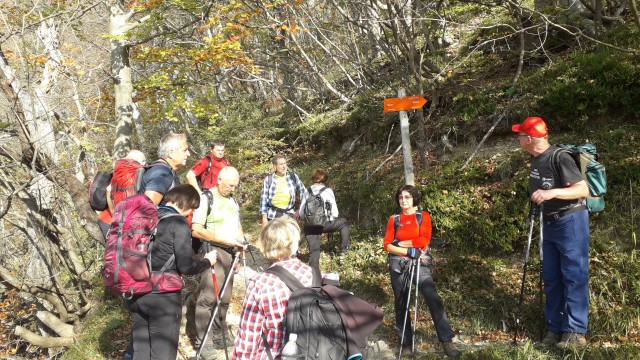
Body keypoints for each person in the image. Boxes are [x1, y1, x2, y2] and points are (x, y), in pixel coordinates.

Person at [512, 116, 590, 349]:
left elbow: (582, 189)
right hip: (549, 223)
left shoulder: (560, 157)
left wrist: (550, 194)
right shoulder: (536, 159)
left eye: (520, 135)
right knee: (552, 277)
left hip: (571, 220)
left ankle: (575, 333)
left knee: (574, 276)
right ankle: (554, 329)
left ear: (529, 138)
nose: (517, 138)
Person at [125, 184, 217, 360]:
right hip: (162, 297)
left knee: (141, 352)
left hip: (134, 291)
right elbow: (186, 266)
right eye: (191, 209)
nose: (190, 213)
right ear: (187, 204)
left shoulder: (146, 217)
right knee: (163, 354)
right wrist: (206, 261)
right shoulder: (177, 222)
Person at [383, 185, 460, 358]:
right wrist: (407, 250)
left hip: (420, 262)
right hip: (398, 264)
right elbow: (386, 245)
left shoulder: (422, 216)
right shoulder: (394, 219)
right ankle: (406, 345)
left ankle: (446, 340)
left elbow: (423, 240)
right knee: (401, 304)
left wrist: (400, 244)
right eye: (401, 197)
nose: (404, 200)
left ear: (414, 199)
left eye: (408, 197)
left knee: (433, 299)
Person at [232, 217, 314, 359]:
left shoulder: (260, 283)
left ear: (265, 245)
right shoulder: (315, 275)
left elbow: (248, 338)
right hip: (312, 353)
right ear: (295, 241)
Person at [191, 166, 246, 359]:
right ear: (219, 179)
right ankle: (203, 342)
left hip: (231, 252)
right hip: (212, 251)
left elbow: (237, 224)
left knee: (224, 297)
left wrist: (241, 241)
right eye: (230, 185)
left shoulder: (232, 199)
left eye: (235, 186)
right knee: (208, 297)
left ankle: (218, 335)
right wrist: (223, 240)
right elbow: (196, 229)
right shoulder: (207, 198)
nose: (232, 188)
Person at [299, 168, 350, 273]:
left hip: (310, 227)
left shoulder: (307, 190)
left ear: (313, 178)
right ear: (324, 178)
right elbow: (335, 213)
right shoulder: (328, 191)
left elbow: (301, 213)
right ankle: (343, 252)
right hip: (325, 225)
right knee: (344, 223)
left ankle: (314, 280)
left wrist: (311, 220)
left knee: (314, 252)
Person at [97, 149, 147, 239]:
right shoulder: (136, 173)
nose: (144, 164)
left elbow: (109, 190)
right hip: (118, 222)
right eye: (143, 161)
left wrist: (114, 213)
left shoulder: (118, 171)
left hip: (107, 219)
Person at [139, 133, 190, 205]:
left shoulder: (165, 170)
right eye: (185, 150)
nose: (188, 154)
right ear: (171, 153)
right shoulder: (161, 173)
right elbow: (147, 208)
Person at [259, 154, 307, 227]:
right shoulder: (269, 179)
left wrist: (299, 210)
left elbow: (304, 193)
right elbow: (263, 200)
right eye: (281, 164)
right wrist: (264, 220)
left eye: (285, 163)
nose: (284, 166)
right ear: (275, 166)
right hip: (273, 215)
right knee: (275, 238)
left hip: (290, 214)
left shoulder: (293, 177)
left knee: (290, 238)